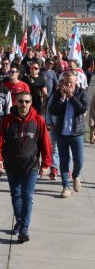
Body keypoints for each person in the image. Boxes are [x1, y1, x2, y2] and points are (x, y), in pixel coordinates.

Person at [0, 92, 52, 243]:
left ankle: (24, 229)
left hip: (30, 166)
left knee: (27, 196)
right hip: (12, 165)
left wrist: (46, 164)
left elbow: (45, 143)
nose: (23, 104)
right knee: (16, 195)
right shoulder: (7, 120)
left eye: (27, 101)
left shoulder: (38, 120)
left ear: (31, 103)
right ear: (16, 102)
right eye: (20, 101)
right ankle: (19, 220)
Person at [48, 70, 89, 198]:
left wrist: (71, 96)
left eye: (70, 82)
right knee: (64, 160)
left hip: (77, 134)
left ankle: (76, 175)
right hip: (61, 133)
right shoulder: (58, 93)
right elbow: (52, 111)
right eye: (66, 83)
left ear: (76, 81)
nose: (68, 85)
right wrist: (62, 98)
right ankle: (66, 186)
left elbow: (82, 109)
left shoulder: (82, 93)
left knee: (79, 160)